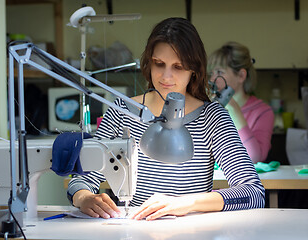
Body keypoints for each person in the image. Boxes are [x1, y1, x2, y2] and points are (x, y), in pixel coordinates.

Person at [67, 18, 265, 221]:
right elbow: (81, 181)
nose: (166, 76)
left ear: (193, 70)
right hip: (135, 228)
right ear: (148, 63)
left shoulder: (212, 117)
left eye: (178, 67)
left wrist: (186, 203)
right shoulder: (122, 111)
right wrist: (84, 198)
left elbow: (253, 193)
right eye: (159, 64)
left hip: (192, 231)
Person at [208, 42, 274, 163]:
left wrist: (234, 110)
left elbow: (254, 158)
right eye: (211, 73)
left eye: (220, 72)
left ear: (241, 76)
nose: (212, 79)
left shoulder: (263, 112)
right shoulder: (209, 109)